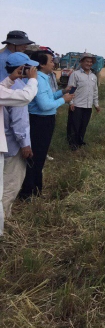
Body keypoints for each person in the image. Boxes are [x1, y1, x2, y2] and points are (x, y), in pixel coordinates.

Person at [18, 52, 74, 199]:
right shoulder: (40, 80)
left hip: (42, 120)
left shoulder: (43, 78)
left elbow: (48, 98)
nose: (53, 64)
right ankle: (29, 191)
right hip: (40, 121)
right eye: (51, 61)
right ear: (42, 64)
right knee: (36, 156)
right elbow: (44, 105)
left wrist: (62, 93)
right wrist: (63, 100)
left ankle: (35, 189)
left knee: (39, 155)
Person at [0, 58, 40, 235]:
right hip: (11, 146)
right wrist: (32, 80)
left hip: (6, 144)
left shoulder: (9, 86)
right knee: (9, 184)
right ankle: (3, 223)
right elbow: (24, 100)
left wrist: (11, 78)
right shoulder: (19, 89)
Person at [67, 53, 100, 150]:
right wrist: (71, 102)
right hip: (77, 105)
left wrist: (96, 104)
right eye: (87, 61)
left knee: (83, 125)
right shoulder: (75, 74)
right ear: (81, 62)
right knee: (74, 125)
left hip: (88, 105)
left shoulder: (93, 76)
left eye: (90, 62)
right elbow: (71, 89)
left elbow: (95, 91)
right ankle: (72, 144)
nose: (89, 64)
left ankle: (80, 141)